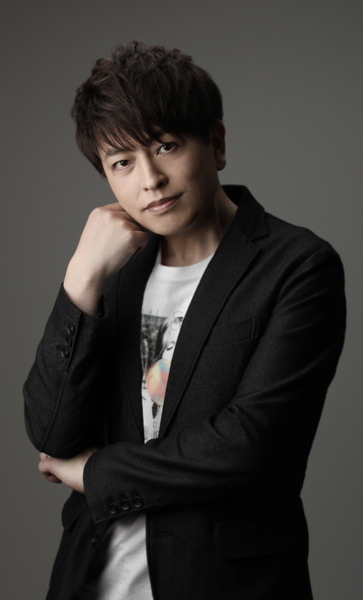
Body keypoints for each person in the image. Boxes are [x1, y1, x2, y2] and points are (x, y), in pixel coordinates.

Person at [23, 41, 346, 600]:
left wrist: (97, 474)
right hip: (91, 583)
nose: (149, 179)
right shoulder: (111, 273)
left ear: (216, 143)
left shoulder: (297, 266)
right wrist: (79, 280)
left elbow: (247, 444)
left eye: (165, 146)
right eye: (122, 162)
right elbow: (52, 432)